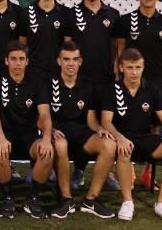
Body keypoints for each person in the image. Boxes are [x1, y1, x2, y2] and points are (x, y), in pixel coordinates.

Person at [100, 48, 162, 221]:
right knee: (124, 150)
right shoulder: (112, 89)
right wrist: (120, 138)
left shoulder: (152, 89)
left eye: (138, 67)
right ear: (121, 68)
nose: (134, 72)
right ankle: (127, 202)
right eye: (130, 67)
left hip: (145, 138)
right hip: (123, 138)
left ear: (143, 67)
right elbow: (106, 121)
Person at [62, 0, 120, 190]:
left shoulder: (113, 14)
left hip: (104, 79)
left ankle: (107, 172)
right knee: (81, 125)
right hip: (81, 79)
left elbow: (117, 47)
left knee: (106, 125)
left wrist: (114, 69)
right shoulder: (72, 14)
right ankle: (78, 170)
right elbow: (67, 45)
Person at [49, 41, 118, 219]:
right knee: (61, 145)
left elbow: (90, 120)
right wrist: (50, 130)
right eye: (66, 59)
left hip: (82, 135)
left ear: (80, 61)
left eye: (74, 59)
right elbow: (42, 115)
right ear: (59, 61)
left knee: (109, 145)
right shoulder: (49, 83)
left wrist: (100, 129)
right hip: (58, 135)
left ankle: (91, 200)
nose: (70, 63)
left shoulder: (88, 85)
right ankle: (66, 200)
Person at [114, 0, 162, 188]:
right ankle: (127, 171)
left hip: (155, 82)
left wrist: (157, 74)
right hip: (128, 84)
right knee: (125, 124)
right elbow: (120, 51)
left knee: (154, 127)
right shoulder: (125, 21)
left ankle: (149, 172)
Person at [0, 41, 54, 219]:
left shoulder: (37, 82)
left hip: (29, 135)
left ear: (27, 61)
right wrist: (0, 137)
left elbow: (45, 114)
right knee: (0, 152)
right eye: (14, 59)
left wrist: (46, 138)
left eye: (21, 59)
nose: (17, 63)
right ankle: (8, 199)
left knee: (47, 153)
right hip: (5, 133)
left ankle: (32, 199)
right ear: (6, 61)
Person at [19, 0, 68, 83]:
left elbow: (67, 44)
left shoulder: (65, 13)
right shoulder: (25, 14)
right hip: (33, 72)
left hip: (58, 71)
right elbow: (22, 45)